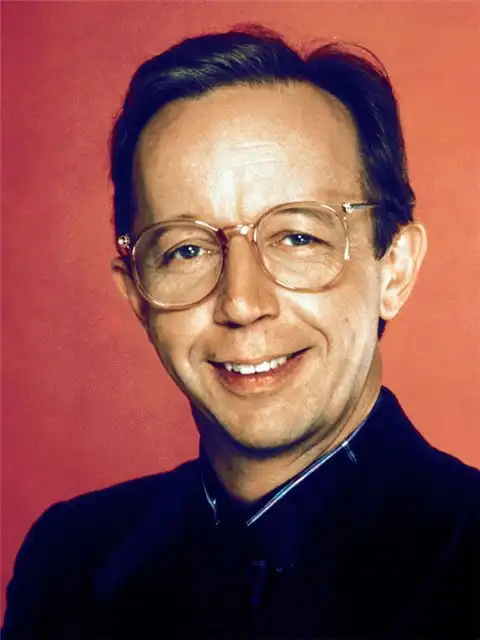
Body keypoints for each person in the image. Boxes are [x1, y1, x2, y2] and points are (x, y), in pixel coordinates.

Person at [3, 25, 479, 639]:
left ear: (395, 268)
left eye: (297, 237)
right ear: (137, 295)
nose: (242, 302)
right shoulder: (67, 562)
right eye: (186, 250)